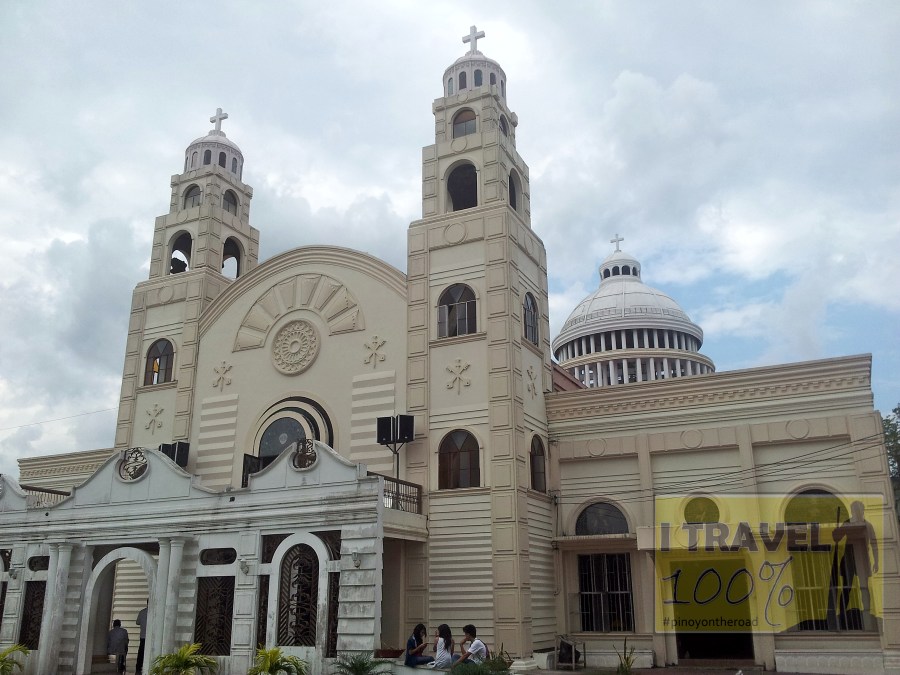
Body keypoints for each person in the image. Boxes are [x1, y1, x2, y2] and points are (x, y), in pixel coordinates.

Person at [832, 500, 879, 626]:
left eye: (860, 509)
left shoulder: (867, 525)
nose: (859, 512)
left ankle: (869, 614)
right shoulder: (846, 523)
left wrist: (877, 562)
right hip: (848, 558)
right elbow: (835, 537)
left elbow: (874, 544)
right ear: (852, 511)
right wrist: (836, 530)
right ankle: (842, 616)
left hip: (864, 559)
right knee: (847, 588)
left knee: (866, 587)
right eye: (856, 509)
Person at [135, 602, 148, 675]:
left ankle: (138, 667)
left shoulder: (142, 612)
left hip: (143, 635)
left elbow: (137, 622)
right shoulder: (154, 613)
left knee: (141, 652)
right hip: (150, 636)